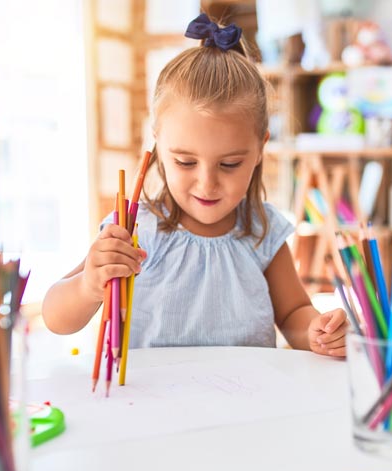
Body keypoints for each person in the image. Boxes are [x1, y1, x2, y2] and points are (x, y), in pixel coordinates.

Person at [42, 13, 347, 357]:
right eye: (185, 162)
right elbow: (56, 318)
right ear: (158, 143)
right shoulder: (134, 229)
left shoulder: (263, 230)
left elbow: (293, 313)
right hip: (152, 406)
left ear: (260, 148)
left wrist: (316, 330)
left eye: (230, 164)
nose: (207, 183)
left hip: (248, 406)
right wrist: (87, 287)